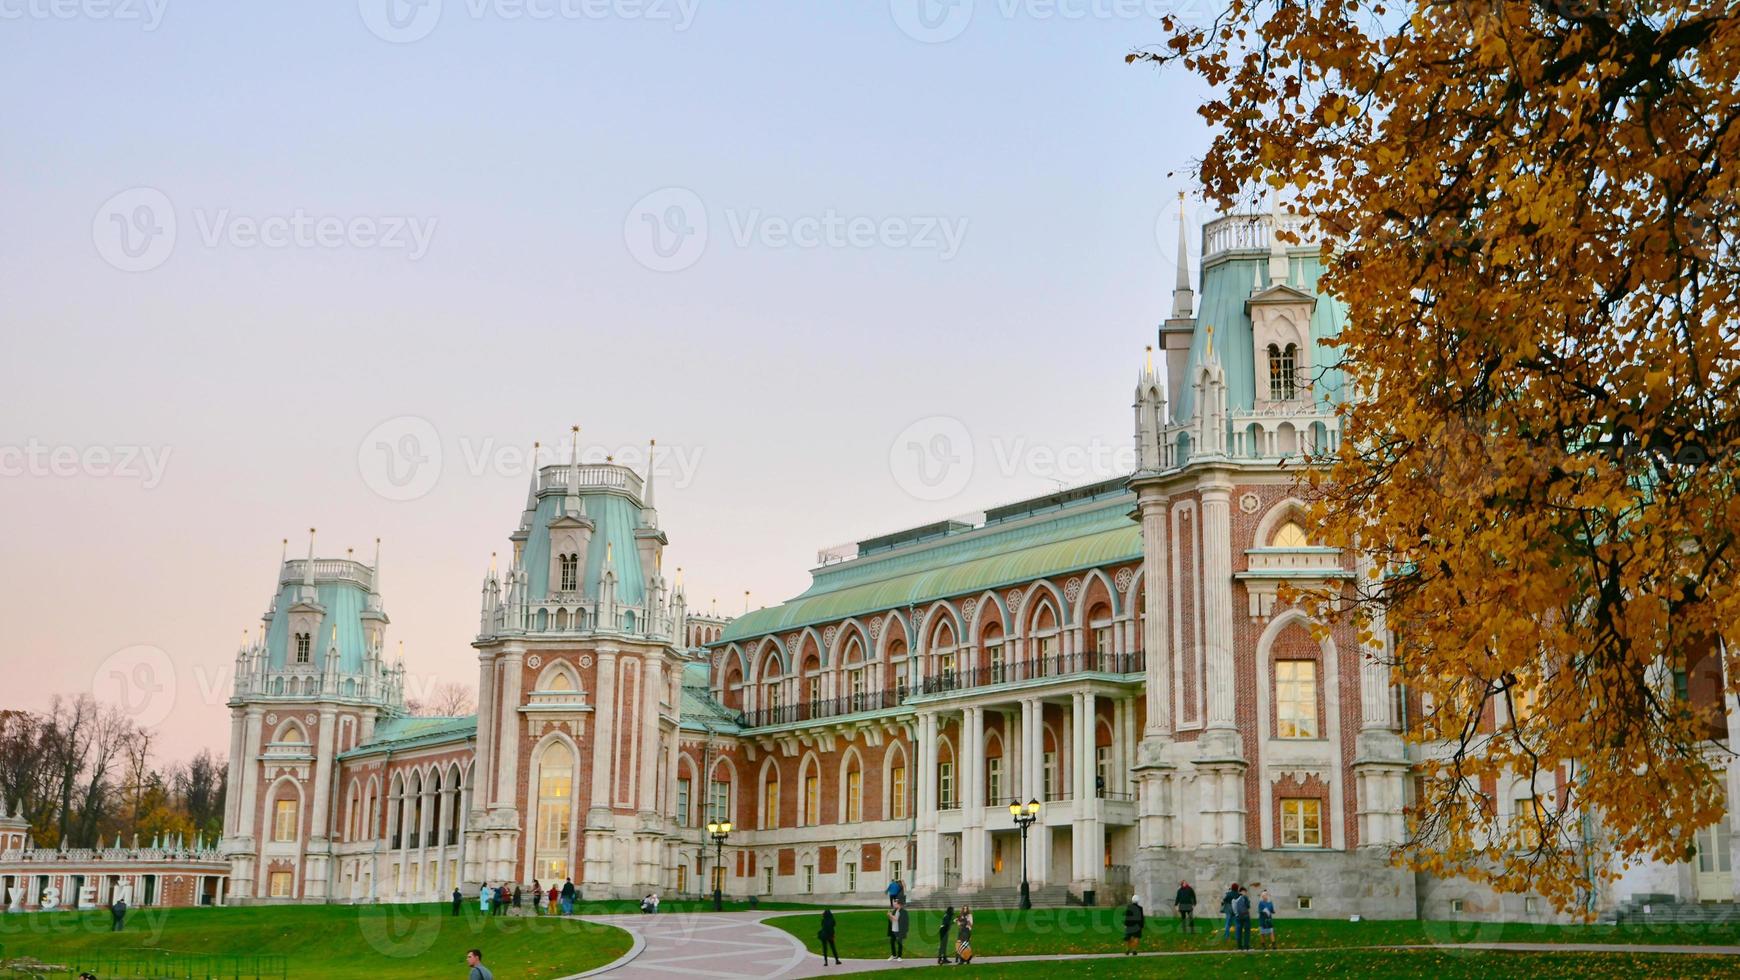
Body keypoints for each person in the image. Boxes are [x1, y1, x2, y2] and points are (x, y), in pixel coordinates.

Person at [1233, 885, 1253, 951]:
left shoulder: (1235, 898)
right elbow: (1248, 906)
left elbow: (1234, 908)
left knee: (1239, 931)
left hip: (1238, 917)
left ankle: (1239, 947)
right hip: (1246, 916)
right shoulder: (1245, 897)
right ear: (1243, 891)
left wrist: (1237, 914)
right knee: (1247, 931)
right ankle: (1246, 946)